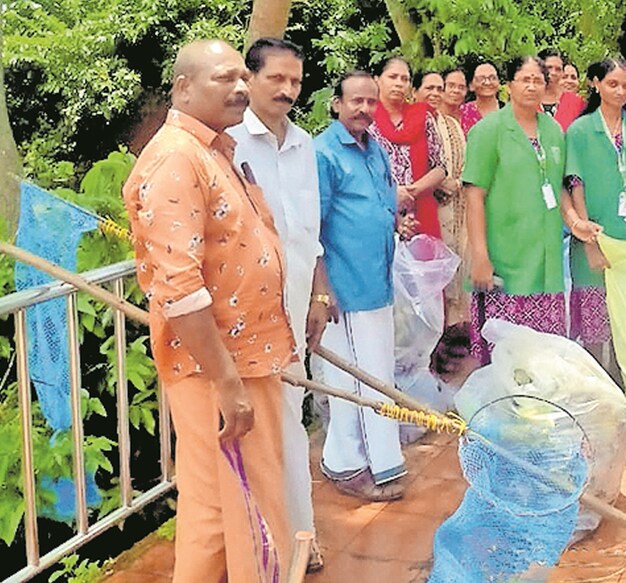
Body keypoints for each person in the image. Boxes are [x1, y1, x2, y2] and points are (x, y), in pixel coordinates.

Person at [122, 39, 294, 581]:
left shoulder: (210, 150)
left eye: (244, 77)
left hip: (241, 361)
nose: (242, 88)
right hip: (221, 368)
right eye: (225, 78)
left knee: (218, 512)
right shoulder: (176, 157)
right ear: (184, 88)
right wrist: (227, 382)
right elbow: (181, 289)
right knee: (250, 511)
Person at [226, 37, 324, 572]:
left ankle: (301, 538)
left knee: (291, 421)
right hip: (245, 319)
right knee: (254, 431)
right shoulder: (230, 146)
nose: (287, 90)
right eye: (276, 80)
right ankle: (268, 545)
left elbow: (311, 232)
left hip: (294, 311)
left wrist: (318, 297)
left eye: (295, 81)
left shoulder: (304, 145)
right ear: (250, 79)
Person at [314, 70, 417, 501]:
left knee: (376, 373)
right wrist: (322, 290)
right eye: (355, 101)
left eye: (370, 102)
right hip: (343, 288)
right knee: (351, 378)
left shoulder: (376, 149)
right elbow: (312, 225)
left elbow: (382, 200)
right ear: (336, 104)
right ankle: (345, 464)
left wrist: (396, 222)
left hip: (377, 278)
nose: (364, 109)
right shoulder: (323, 152)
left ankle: (382, 460)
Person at [463, 56, 567, 362]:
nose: (532, 86)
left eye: (538, 80)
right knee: (504, 361)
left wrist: (575, 221)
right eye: (525, 79)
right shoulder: (489, 130)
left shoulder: (553, 130)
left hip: (547, 262)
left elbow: (558, 186)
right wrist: (480, 256)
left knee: (545, 359)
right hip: (506, 259)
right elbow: (473, 196)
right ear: (510, 86)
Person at [564, 58, 626, 362]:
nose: (621, 91)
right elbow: (575, 185)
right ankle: (598, 390)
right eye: (613, 84)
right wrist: (588, 243)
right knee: (595, 327)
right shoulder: (581, 130)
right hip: (598, 237)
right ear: (596, 84)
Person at [369, 57, 446, 240]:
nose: (399, 83)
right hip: (376, 213)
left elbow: (440, 168)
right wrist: (393, 194)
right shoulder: (365, 119)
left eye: (404, 79)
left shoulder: (423, 117)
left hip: (420, 214)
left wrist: (411, 191)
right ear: (377, 79)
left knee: (421, 267)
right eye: (393, 77)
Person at [415, 71, 470, 322]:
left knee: (456, 269)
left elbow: (466, 164)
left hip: (457, 207)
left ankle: (454, 331)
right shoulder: (407, 123)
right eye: (430, 88)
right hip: (423, 208)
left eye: (440, 89)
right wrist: (436, 183)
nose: (436, 94)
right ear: (414, 91)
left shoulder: (452, 124)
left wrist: (456, 183)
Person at [539, 49, 586, 130]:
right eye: (549, 67)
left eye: (558, 69)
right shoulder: (526, 102)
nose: (553, 72)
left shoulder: (577, 104)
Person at [461, 58, 503, 134]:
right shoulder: (462, 113)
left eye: (492, 78)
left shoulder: (510, 112)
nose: (487, 82)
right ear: (471, 85)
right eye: (481, 79)